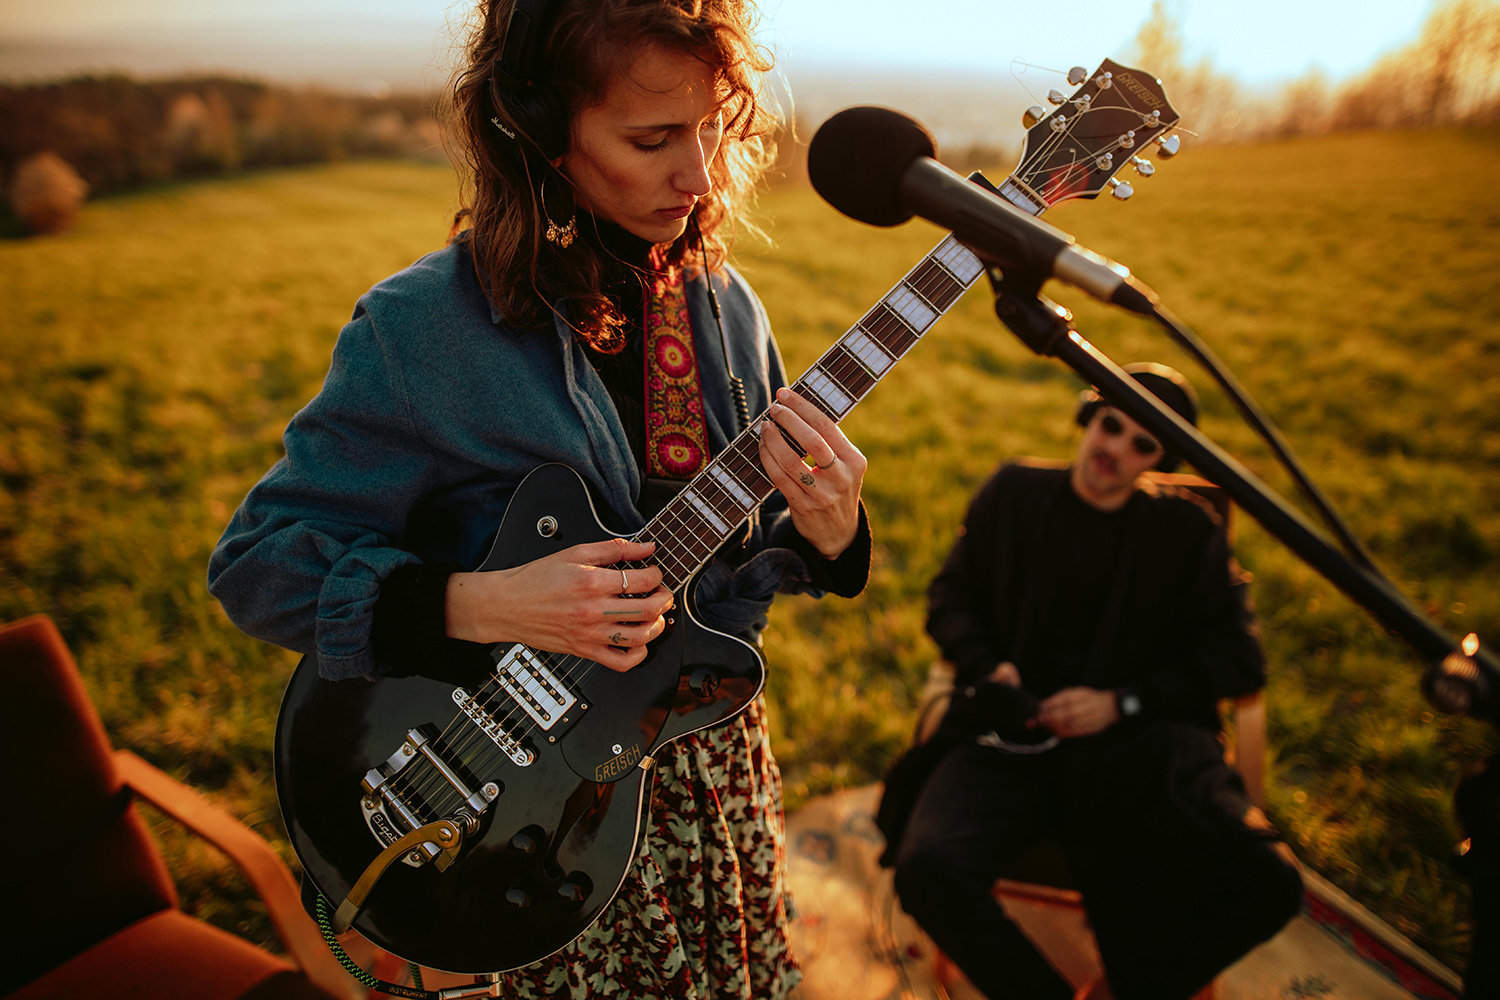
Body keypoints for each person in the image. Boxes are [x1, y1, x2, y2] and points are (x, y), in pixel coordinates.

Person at [208, 1, 870, 997]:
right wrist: (478, 603)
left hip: (707, 767)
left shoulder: (725, 305)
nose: (698, 176)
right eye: (652, 139)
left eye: (712, 128)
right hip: (516, 817)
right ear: (542, 130)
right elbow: (258, 565)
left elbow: (738, 554)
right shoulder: (421, 328)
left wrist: (829, 531)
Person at [883, 364, 1302, 1000]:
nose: (1116, 448)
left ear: (1160, 461)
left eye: (1143, 443)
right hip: (1009, 737)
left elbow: (1239, 660)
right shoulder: (1012, 493)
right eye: (1111, 425)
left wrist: (1120, 703)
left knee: (1270, 880)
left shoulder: (1189, 532)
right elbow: (951, 597)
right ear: (1088, 417)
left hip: (1137, 749)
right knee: (927, 868)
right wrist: (990, 667)